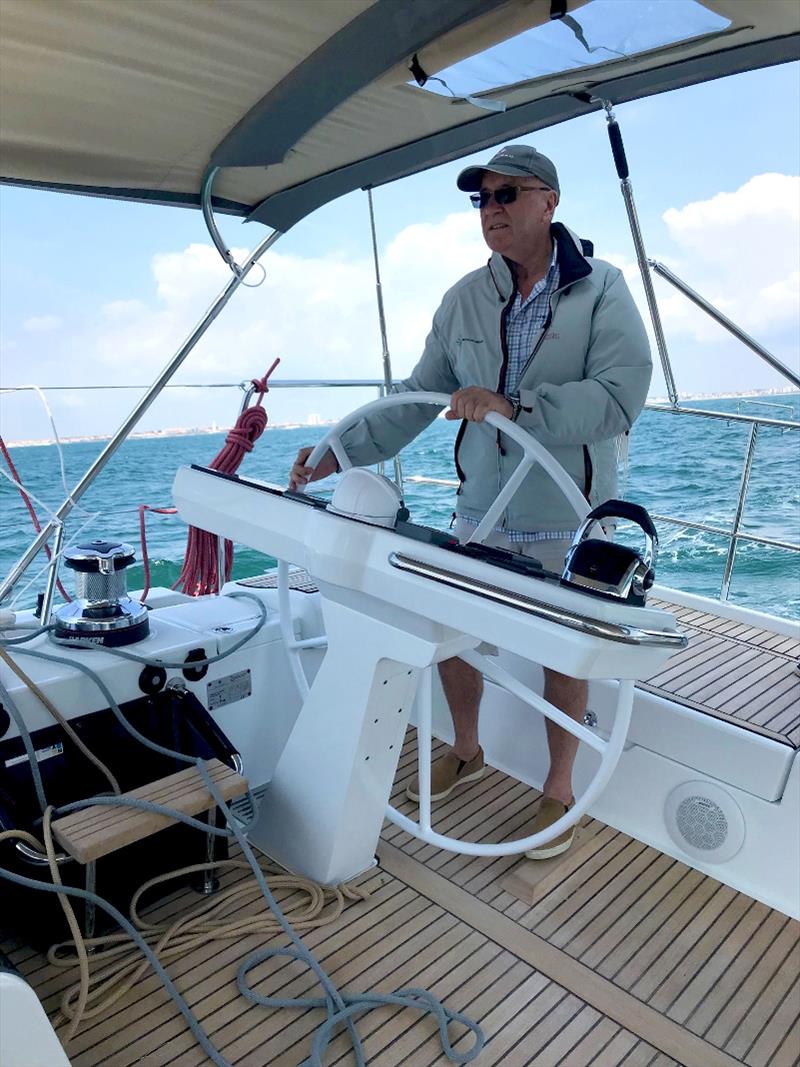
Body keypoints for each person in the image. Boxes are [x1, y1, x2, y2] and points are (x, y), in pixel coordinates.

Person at [289, 144, 651, 859]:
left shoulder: (603, 290)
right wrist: (339, 452)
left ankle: (558, 787)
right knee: (452, 626)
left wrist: (515, 404)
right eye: (481, 200)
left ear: (549, 202)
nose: (492, 211)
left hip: (566, 509)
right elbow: (412, 401)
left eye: (507, 195)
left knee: (565, 652)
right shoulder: (462, 300)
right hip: (482, 503)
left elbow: (618, 399)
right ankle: (468, 744)